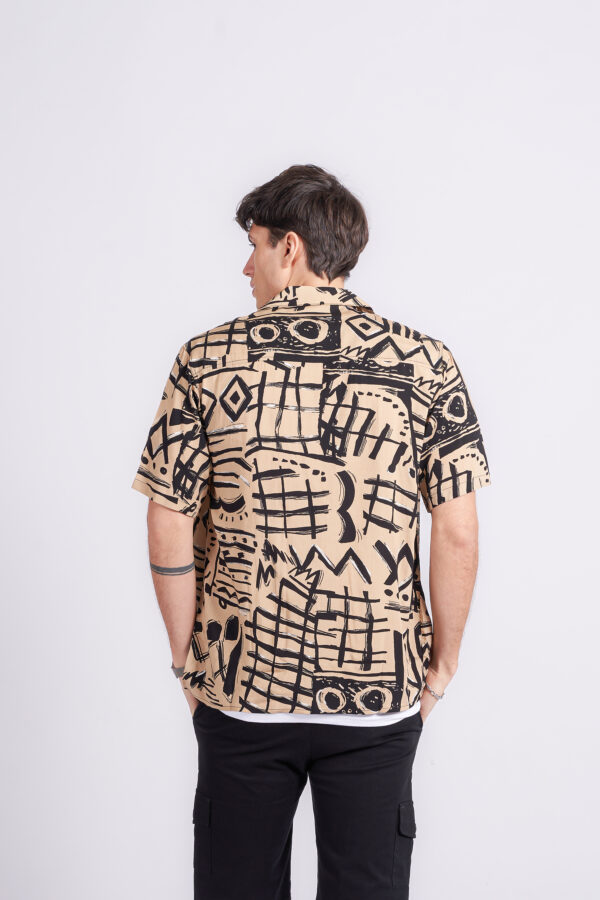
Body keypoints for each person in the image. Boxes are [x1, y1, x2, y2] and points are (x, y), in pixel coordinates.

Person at [131, 164, 492, 899]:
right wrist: (442, 667)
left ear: (288, 248)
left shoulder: (205, 360)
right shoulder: (426, 364)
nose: (246, 266)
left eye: (254, 245)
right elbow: (457, 530)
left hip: (240, 684)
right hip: (378, 690)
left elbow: (167, 516)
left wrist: (187, 661)